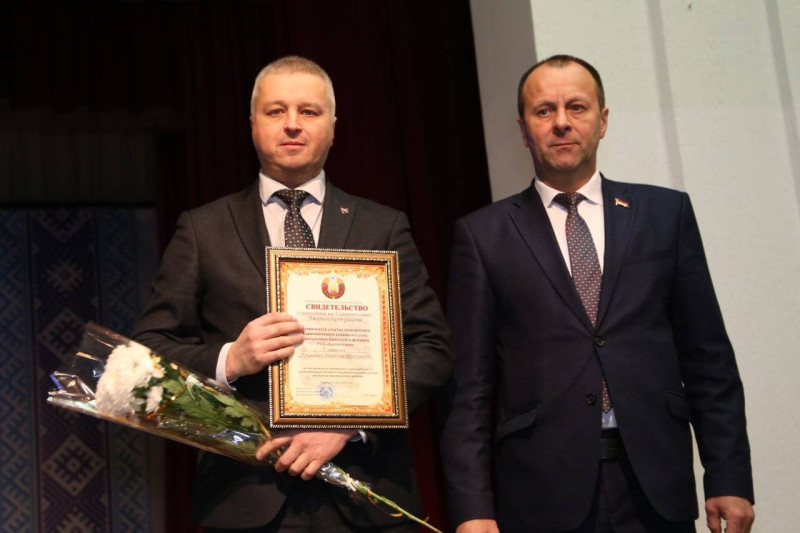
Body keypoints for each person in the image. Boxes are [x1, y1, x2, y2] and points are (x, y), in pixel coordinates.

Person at [133, 55, 452, 531]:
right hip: (246, 496)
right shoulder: (203, 229)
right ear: (252, 123)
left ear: (333, 127)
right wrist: (230, 359)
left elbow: (432, 347)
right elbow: (149, 352)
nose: (292, 124)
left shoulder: (382, 226)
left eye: (309, 111)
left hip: (368, 495)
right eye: (276, 110)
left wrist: (351, 423)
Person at [439, 55, 754, 533]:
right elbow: (469, 389)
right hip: (542, 490)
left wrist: (728, 475)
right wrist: (472, 509)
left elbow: (708, 357)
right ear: (523, 129)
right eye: (544, 110)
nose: (562, 122)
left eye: (577, 107)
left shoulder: (664, 214)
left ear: (602, 121)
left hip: (656, 484)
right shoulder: (483, 235)